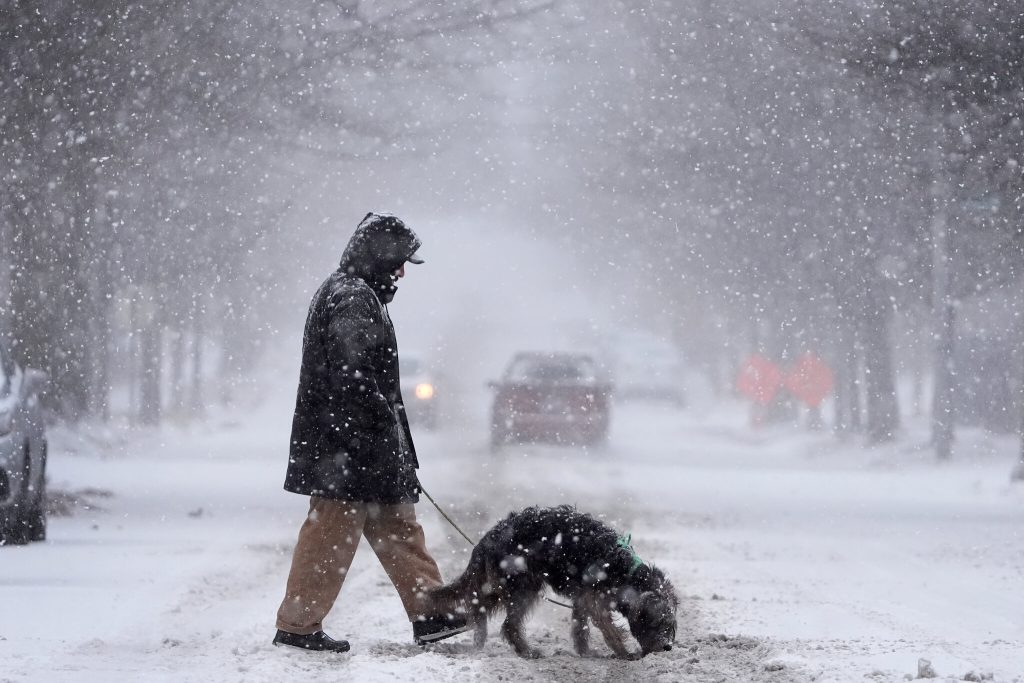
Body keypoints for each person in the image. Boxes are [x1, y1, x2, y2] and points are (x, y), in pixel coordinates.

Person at [273, 212, 468, 653]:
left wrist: (392, 446)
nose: (402, 272)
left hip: (362, 447)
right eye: (398, 262)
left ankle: (431, 614)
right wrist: (378, 431)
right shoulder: (350, 298)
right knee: (330, 536)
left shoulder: (359, 295)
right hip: (345, 449)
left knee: (399, 528)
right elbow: (352, 374)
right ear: (378, 257)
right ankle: (298, 626)